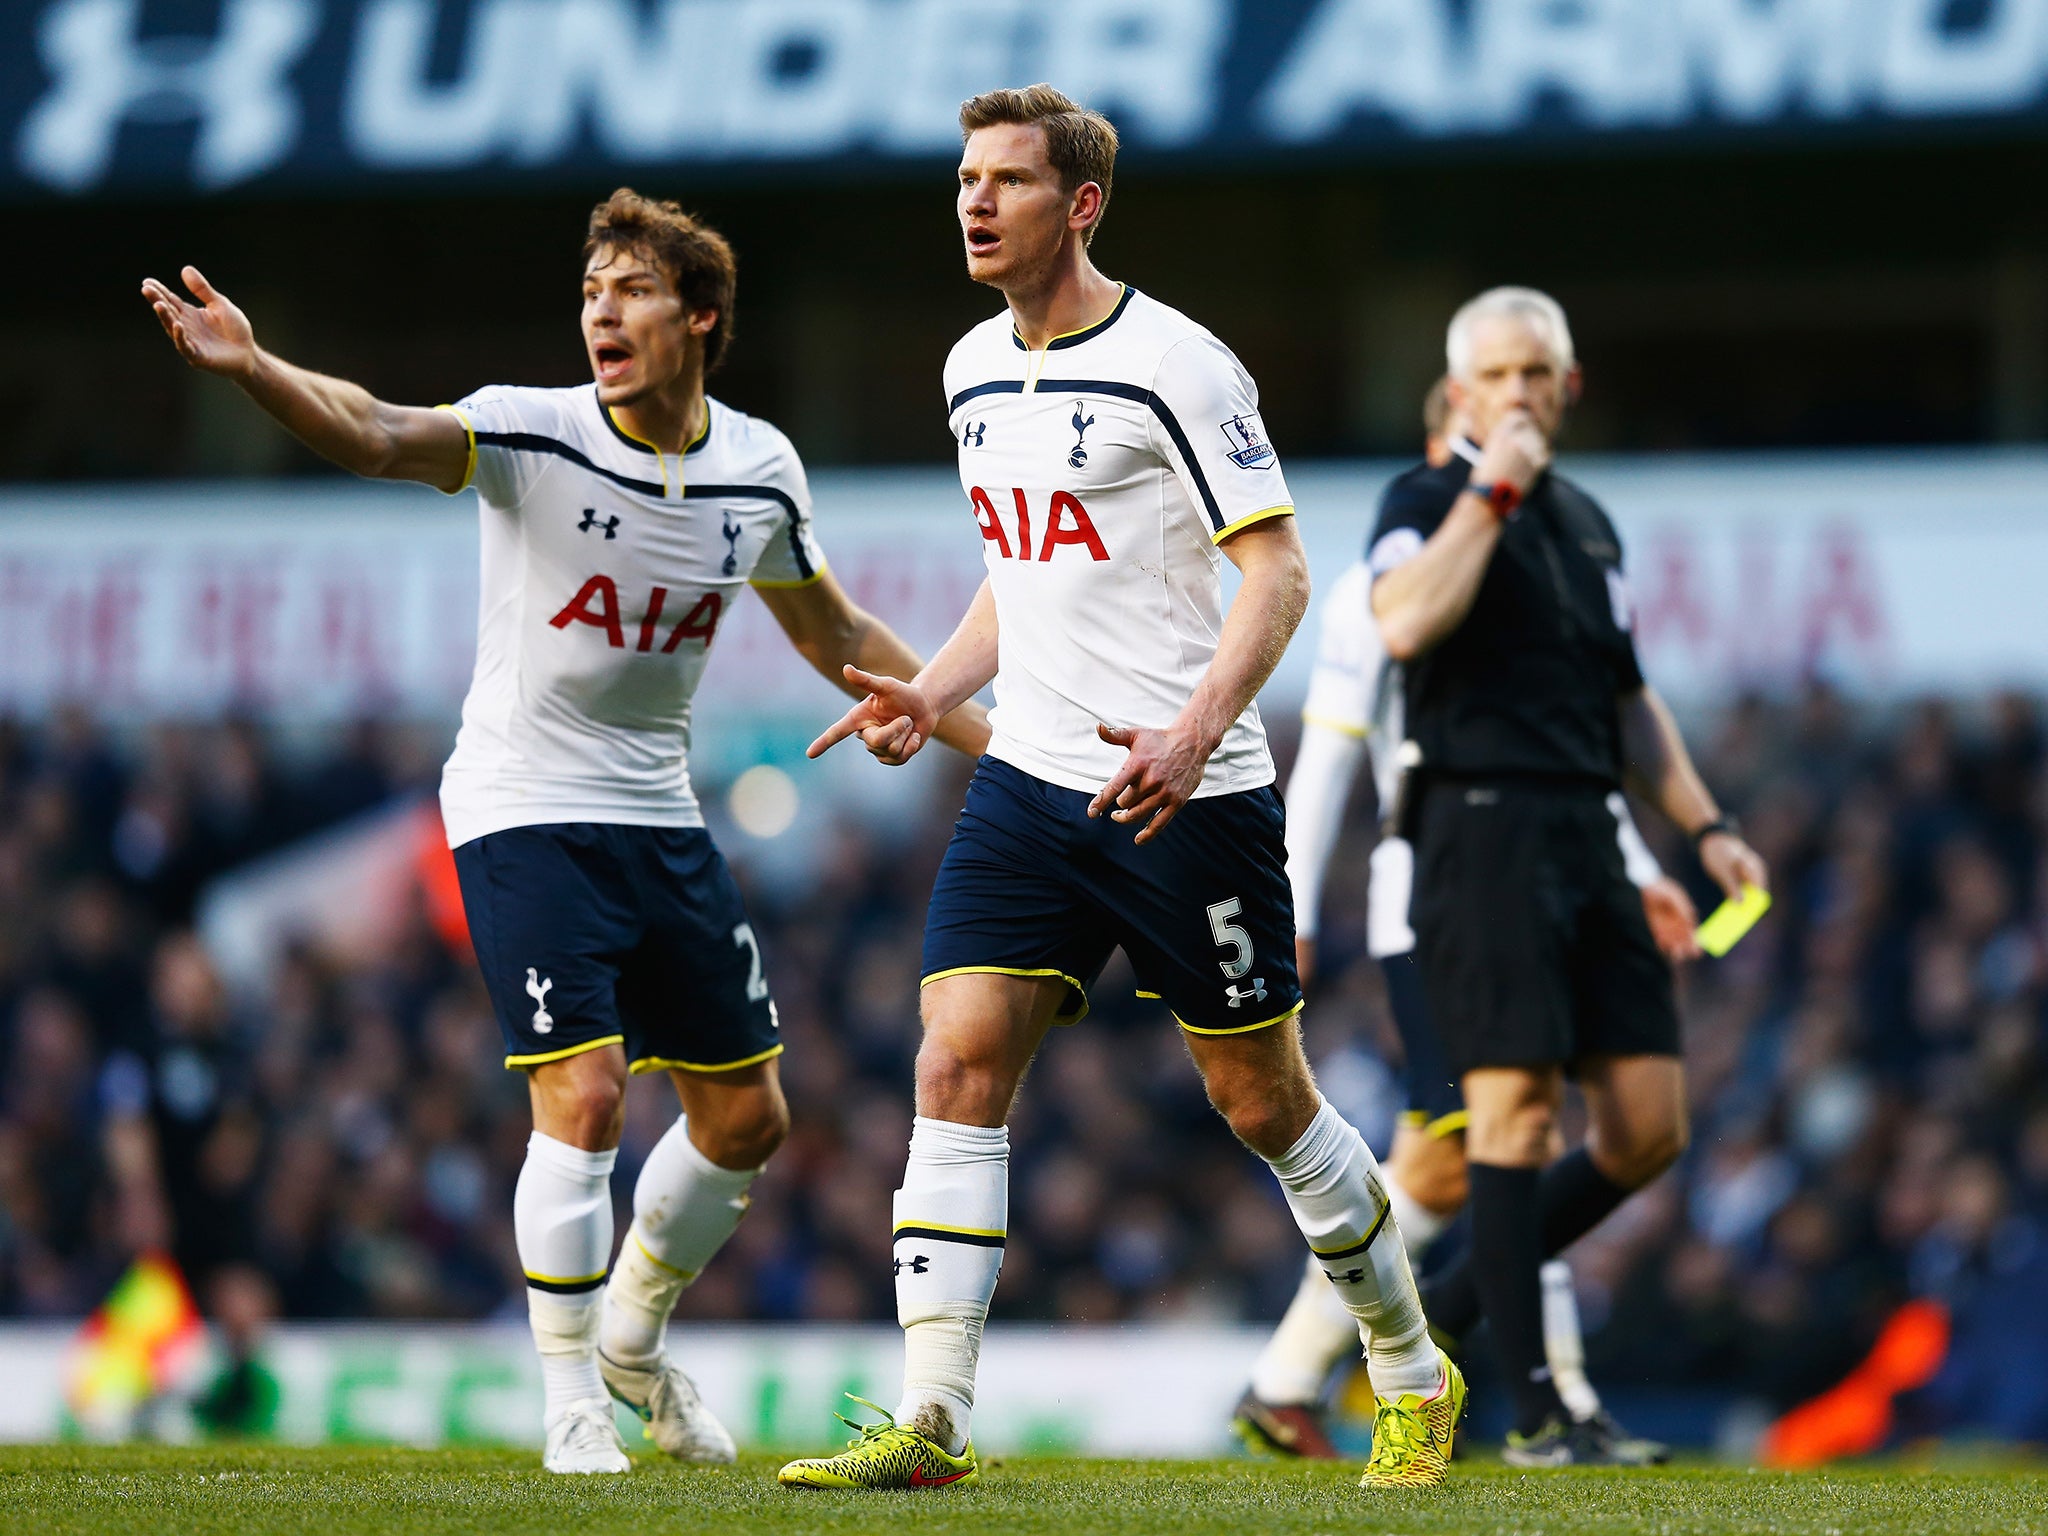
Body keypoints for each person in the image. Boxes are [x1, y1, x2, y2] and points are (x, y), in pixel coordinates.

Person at [142, 190, 989, 1475]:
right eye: (591, 287)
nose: (600, 306)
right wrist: (254, 364)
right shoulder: (531, 432)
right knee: (583, 1095)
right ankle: (570, 1406)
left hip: (657, 811)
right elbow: (376, 432)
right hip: (519, 803)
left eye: (632, 288)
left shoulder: (756, 469)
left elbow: (833, 637)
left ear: (699, 318)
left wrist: (990, 734)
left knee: (748, 1122)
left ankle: (633, 1343)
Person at [780, 84, 1459, 1495]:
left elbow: (1278, 571)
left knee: (1261, 1100)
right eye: (965, 177)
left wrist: (1197, 728)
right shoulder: (972, 367)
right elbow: (1019, 574)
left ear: (1078, 206)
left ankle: (1407, 1366)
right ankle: (934, 1419)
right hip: (1029, 783)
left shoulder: (1181, 367)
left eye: (1007, 181)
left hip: (1185, 799)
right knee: (956, 1061)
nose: (974, 202)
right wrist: (941, 687)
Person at [1232, 379, 1697, 1463]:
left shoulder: (1524, 571)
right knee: (1493, 1145)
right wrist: (1288, 896)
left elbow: (1571, 757)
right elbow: (1334, 747)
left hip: (1514, 884)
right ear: (1448, 423)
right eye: (1487, 406)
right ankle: (1532, 1390)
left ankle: (1292, 1375)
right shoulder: (1382, 584)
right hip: (1434, 903)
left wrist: (1633, 865)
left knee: (1466, 1160)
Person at [1367, 287, 1769, 1465]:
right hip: (1475, 825)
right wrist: (1489, 488)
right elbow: (1400, 623)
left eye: (1535, 373)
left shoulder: (1590, 524)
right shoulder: (1422, 502)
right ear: (1454, 397)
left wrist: (1704, 828)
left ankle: (1435, 1310)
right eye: (1493, 376)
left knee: (1647, 1125)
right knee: (1515, 1115)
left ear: (1568, 385)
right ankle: (1537, 1409)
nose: (1517, 393)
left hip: (1586, 828)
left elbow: (1627, 697)